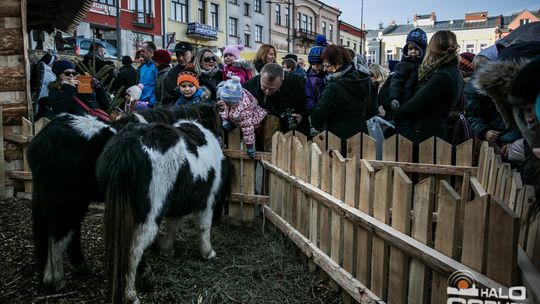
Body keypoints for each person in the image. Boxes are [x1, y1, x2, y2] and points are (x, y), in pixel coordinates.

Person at [394, 30, 463, 145]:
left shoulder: (443, 75)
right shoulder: (453, 71)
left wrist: (398, 114)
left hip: (426, 136)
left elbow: (416, 103)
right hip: (432, 133)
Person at [309, 45, 371, 155]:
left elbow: (317, 116)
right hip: (361, 137)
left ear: (338, 64)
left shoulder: (335, 87)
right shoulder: (360, 79)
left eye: (327, 66)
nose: (325, 69)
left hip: (339, 142)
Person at [243, 63, 307, 151]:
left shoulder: (296, 84)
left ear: (282, 81)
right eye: (264, 87)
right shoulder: (248, 87)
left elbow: (306, 104)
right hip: (257, 132)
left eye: (272, 88)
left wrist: (301, 115)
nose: (267, 91)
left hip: (288, 133)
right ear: (260, 77)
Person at [217, 76, 268, 158]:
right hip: (235, 118)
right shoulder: (227, 99)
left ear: (236, 100)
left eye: (228, 102)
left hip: (254, 120)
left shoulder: (244, 110)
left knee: (253, 130)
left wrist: (250, 146)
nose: (226, 103)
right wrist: (225, 119)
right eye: (225, 101)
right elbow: (224, 108)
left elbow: (248, 130)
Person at [388, 28, 427, 115]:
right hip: (403, 102)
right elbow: (396, 82)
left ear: (423, 50)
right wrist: (394, 98)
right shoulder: (402, 65)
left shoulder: (425, 67)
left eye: (416, 48)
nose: (413, 51)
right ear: (406, 50)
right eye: (410, 48)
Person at [162, 41, 195, 105]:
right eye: (178, 55)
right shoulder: (172, 74)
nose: (180, 58)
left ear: (192, 54)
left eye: (184, 54)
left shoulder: (200, 69)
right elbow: (167, 100)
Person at [137, 41, 158, 108]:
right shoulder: (142, 67)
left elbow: (159, 87)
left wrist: (150, 102)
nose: (141, 53)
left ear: (151, 52)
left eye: (143, 51)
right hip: (140, 103)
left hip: (150, 105)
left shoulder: (156, 67)